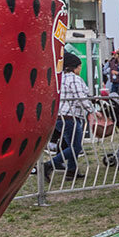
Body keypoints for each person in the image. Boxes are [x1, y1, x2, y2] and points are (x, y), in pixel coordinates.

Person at [44, 51, 93, 181]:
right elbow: (80, 97)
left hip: (60, 116)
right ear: (74, 67)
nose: (80, 69)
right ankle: (49, 164)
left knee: (71, 145)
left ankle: (71, 172)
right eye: (79, 67)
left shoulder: (61, 78)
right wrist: (92, 110)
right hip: (70, 117)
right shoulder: (74, 79)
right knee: (76, 147)